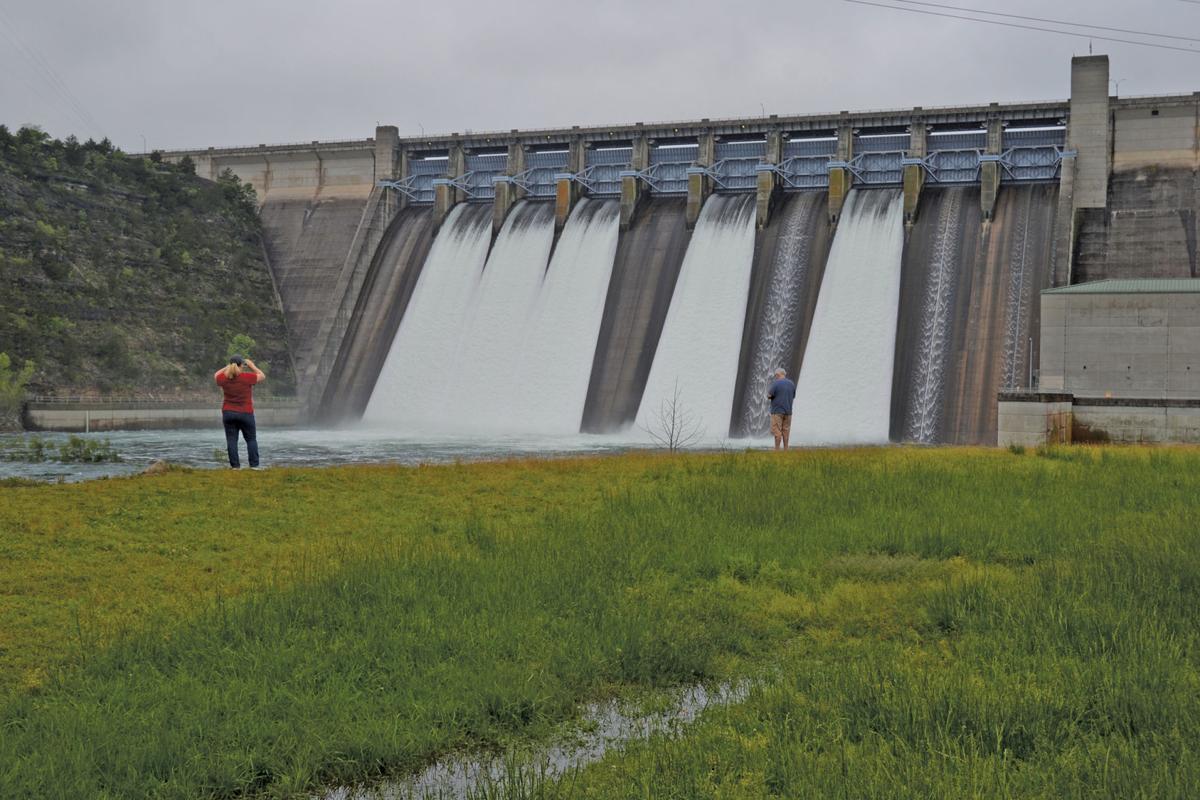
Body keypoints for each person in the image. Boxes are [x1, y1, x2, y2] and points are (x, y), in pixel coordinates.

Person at [215, 354, 265, 469]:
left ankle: (235, 467)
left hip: (228, 413)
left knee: (232, 440)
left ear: (230, 365)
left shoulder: (223, 378)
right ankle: (254, 466)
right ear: (242, 365)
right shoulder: (247, 377)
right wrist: (252, 366)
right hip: (245, 413)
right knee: (251, 439)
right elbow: (262, 376)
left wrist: (228, 366)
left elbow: (216, 375)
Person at [767, 368, 796, 451]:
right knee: (786, 431)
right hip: (788, 411)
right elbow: (793, 396)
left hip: (777, 411)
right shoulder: (791, 384)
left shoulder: (776, 383)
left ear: (778, 374)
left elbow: (769, 395)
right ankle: (786, 450)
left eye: (776, 375)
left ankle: (777, 450)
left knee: (777, 431)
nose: (775, 377)